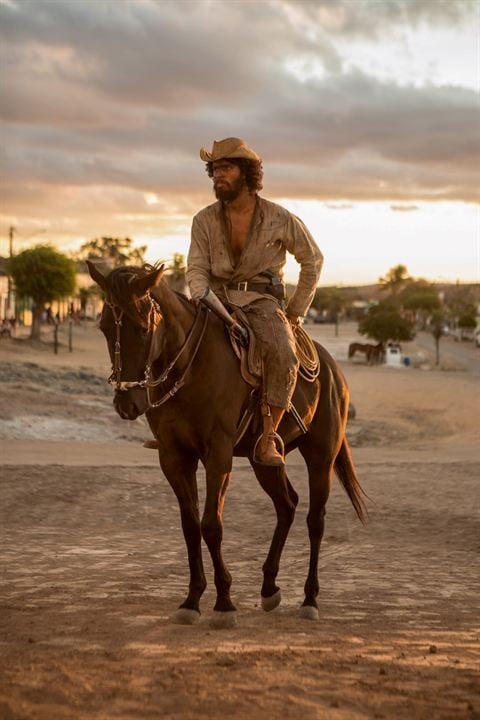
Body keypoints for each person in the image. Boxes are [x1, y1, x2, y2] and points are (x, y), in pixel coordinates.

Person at [186, 137, 323, 466]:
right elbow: (196, 267)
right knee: (177, 344)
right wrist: (199, 294)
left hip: (261, 301)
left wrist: (295, 312)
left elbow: (312, 260)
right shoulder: (203, 220)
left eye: (227, 167)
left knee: (284, 354)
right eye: (215, 169)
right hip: (213, 298)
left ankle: (269, 436)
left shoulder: (279, 217)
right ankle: (178, 429)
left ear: (247, 174)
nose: (219, 175)